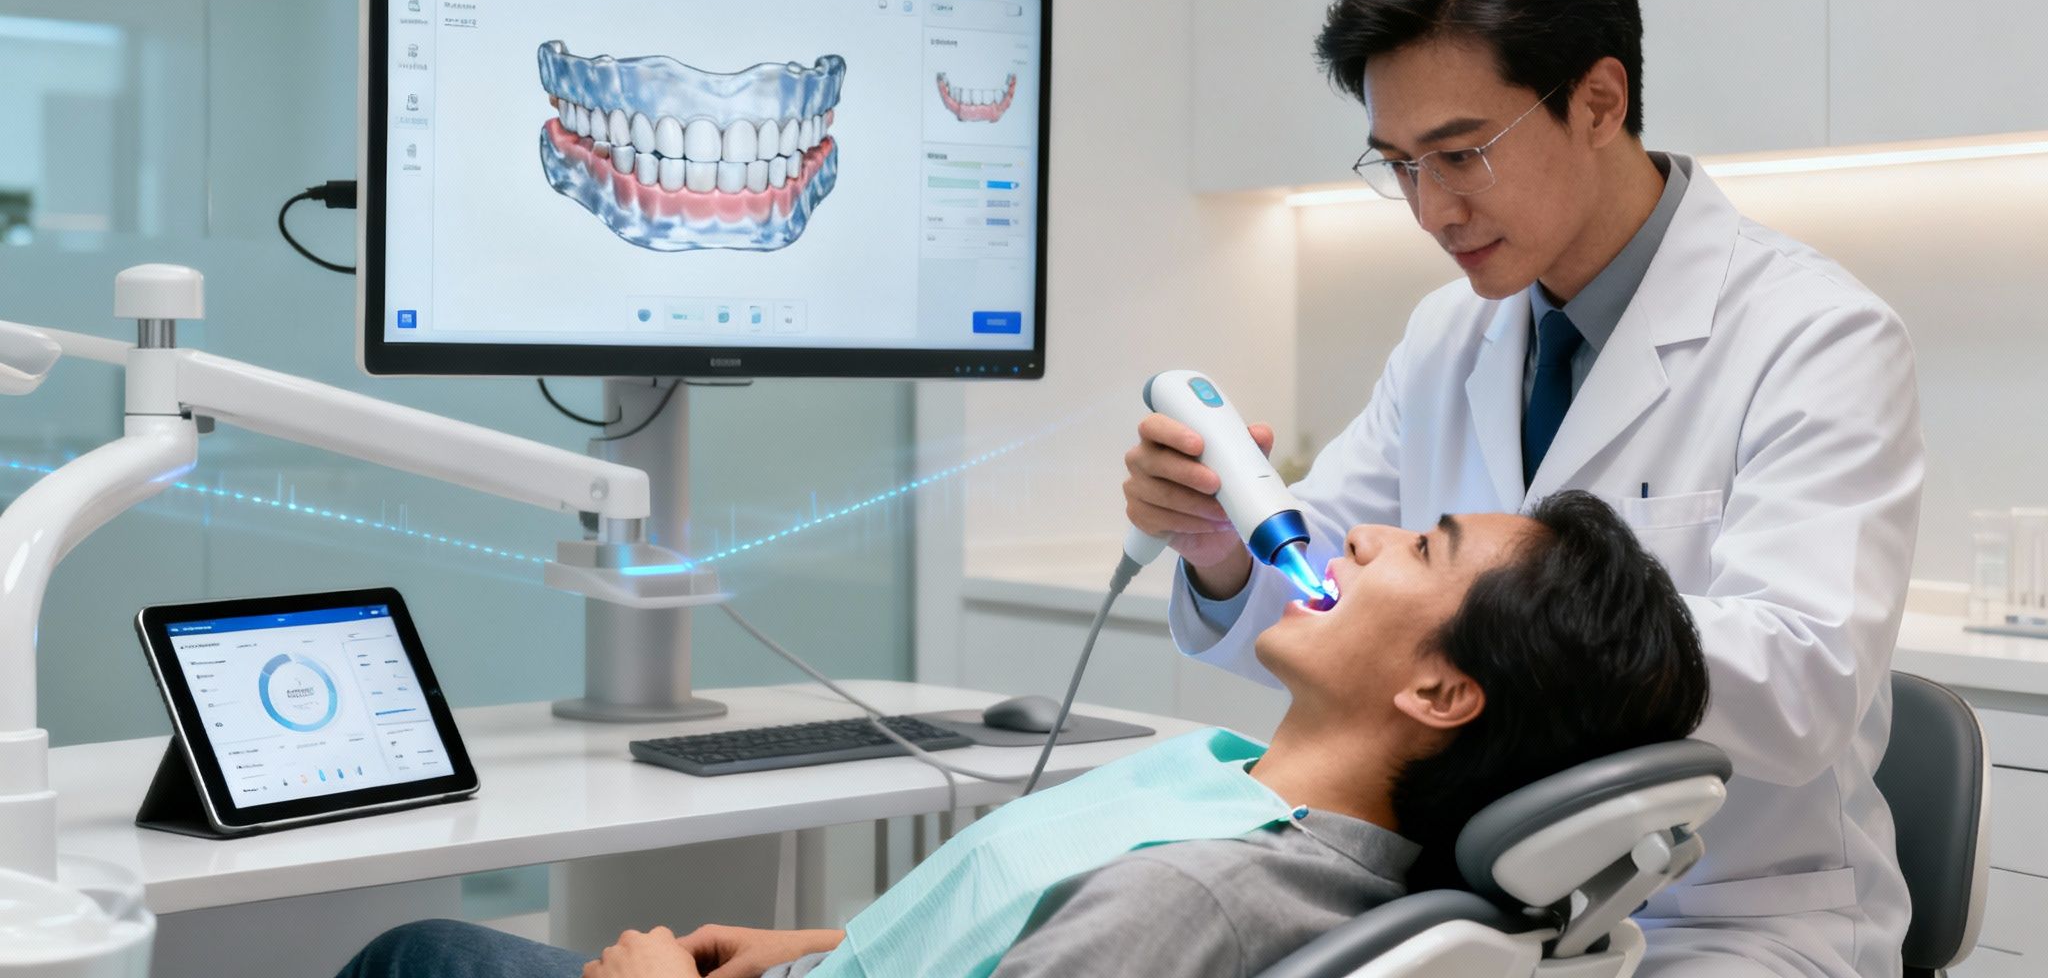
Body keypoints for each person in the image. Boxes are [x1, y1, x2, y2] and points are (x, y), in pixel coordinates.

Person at [1124, 0, 1924, 978]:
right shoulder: (1450, 332)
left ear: (1597, 100)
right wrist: (1223, 550)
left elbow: (1802, 686)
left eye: (1459, 154)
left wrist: (1510, 628)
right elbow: (1330, 583)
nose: (1430, 209)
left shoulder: (1813, 334)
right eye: (1398, 164)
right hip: (1483, 905)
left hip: (1727, 919)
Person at [336, 491, 1709, 978]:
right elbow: (1042, 920)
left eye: (1426, 544)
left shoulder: (1199, 899)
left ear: (1443, 695)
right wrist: (828, 945)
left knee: (416, 954)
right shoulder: (1243, 797)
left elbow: (1121, 930)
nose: (1361, 531)